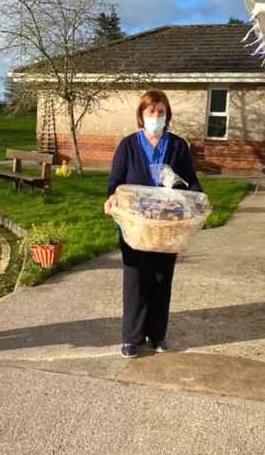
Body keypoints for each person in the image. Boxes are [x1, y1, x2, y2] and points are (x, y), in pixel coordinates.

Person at [104, 90, 203, 358]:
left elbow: (190, 182)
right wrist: (111, 198)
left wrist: (201, 200)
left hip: (167, 227)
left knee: (161, 279)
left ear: (167, 115)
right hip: (135, 227)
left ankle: (158, 334)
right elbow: (116, 181)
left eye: (161, 112)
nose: (156, 117)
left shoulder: (178, 146)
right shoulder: (128, 145)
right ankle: (132, 337)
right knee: (136, 280)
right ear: (141, 115)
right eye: (151, 112)